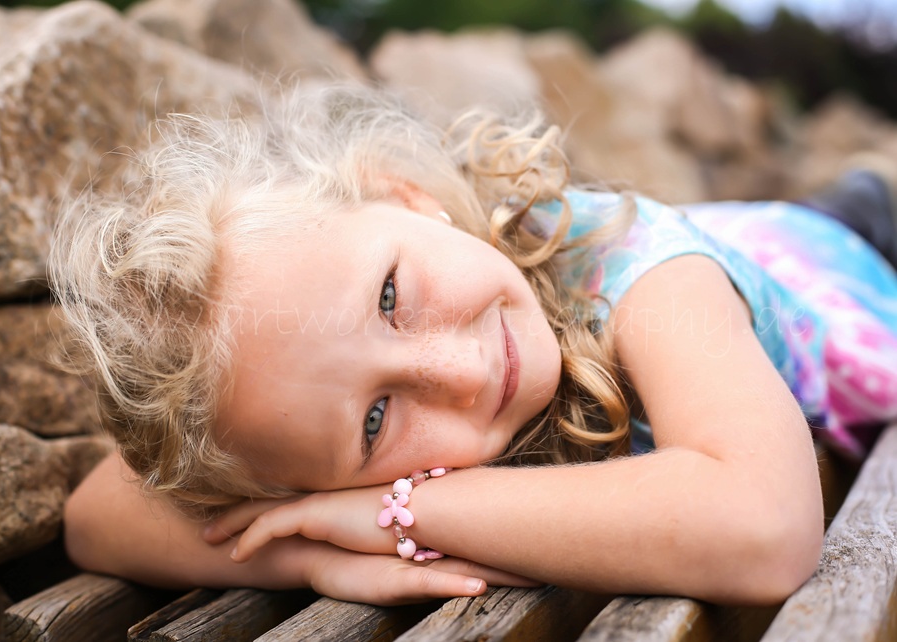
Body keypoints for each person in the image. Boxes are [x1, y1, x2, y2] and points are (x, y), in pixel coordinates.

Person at [51, 84, 897, 607]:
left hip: (828, 265)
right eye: (376, 421)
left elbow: (765, 528)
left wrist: (394, 517)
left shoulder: (637, 273)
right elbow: (96, 516)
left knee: (861, 204)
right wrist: (304, 555)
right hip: (757, 248)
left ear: (409, 199)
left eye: (391, 298)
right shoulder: (292, 403)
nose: (460, 372)